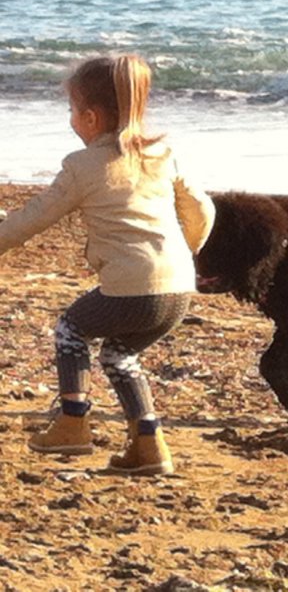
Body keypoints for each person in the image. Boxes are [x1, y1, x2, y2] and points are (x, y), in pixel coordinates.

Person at [0, 54, 215, 475]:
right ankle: (148, 445)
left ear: (91, 118)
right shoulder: (161, 155)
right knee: (119, 355)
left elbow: (32, 220)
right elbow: (203, 209)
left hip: (131, 290)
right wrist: (182, 255)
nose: (71, 120)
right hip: (177, 290)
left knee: (71, 327)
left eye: (71, 111)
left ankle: (73, 423)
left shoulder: (82, 167)